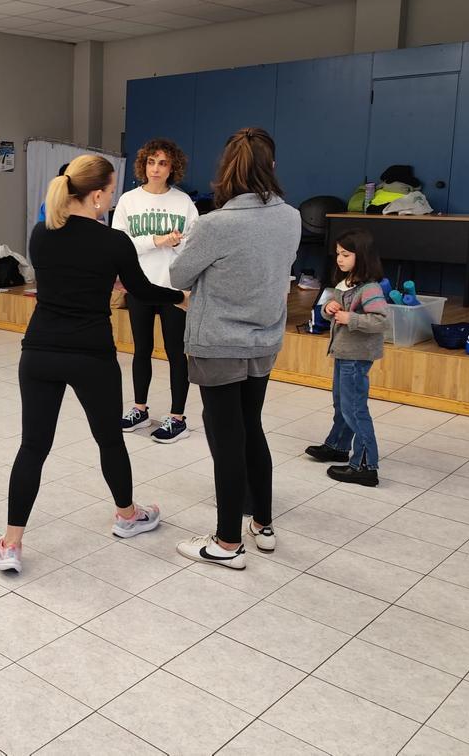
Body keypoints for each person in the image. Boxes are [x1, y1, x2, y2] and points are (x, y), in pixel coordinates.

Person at [0, 155, 186, 575]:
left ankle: (10, 543)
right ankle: (128, 516)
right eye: (111, 192)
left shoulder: (41, 233)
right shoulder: (112, 242)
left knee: (32, 447)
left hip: (40, 352)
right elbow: (140, 290)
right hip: (91, 356)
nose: (111, 199)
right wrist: (179, 298)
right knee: (109, 442)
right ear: (96, 195)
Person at [169, 128, 300, 570]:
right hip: (264, 340)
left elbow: (177, 275)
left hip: (218, 344)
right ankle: (262, 526)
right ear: (273, 167)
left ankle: (226, 543)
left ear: (226, 170)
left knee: (225, 440)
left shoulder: (214, 224)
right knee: (251, 427)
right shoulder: (292, 217)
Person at [112, 139, 198, 442]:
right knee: (141, 350)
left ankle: (177, 417)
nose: (156, 168)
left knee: (176, 353)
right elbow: (118, 244)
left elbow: (195, 246)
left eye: (163, 162)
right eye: (151, 162)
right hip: (139, 287)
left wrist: (176, 244)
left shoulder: (184, 203)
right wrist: (156, 241)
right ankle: (140, 408)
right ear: (143, 165)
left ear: (172, 166)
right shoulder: (128, 201)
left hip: (174, 289)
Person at [305, 230, 388, 486]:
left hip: (356, 356)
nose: (339, 259)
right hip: (343, 352)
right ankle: (338, 446)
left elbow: (380, 320)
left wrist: (349, 318)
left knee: (354, 408)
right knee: (342, 403)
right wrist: (329, 310)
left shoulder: (370, 288)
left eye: (346, 254)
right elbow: (334, 312)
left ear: (361, 256)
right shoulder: (345, 284)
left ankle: (365, 464)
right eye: (338, 254)